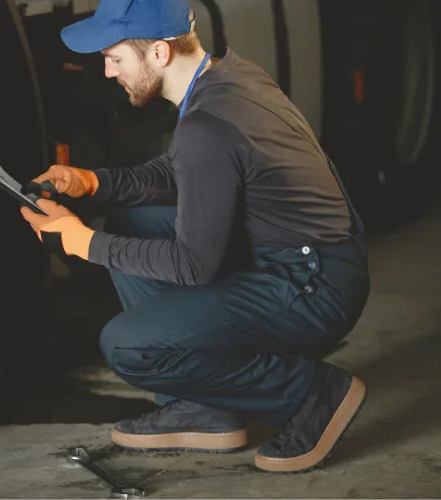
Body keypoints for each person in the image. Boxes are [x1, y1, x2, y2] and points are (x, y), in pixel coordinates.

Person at [19, 0, 371, 473]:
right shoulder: (225, 78)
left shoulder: (209, 124)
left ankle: (312, 395)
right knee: (129, 218)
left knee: (127, 345)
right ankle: (204, 407)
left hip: (312, 283)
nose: (106, 72)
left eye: (114, 57)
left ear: (159, 53)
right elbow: (181, 169)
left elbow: (192, 265)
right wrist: (95, 182)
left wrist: (81, 241)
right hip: (310, 258)